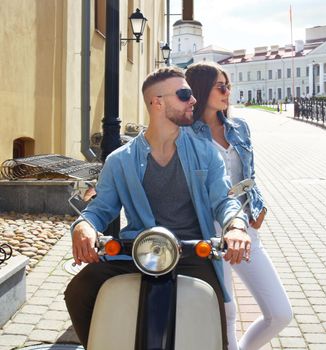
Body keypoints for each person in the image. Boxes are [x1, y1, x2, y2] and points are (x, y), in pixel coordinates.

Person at [64, 66, 252, 350]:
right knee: (78, 290)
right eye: (184, 94)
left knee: (215, 317)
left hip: (192, 251)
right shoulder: (120, 160)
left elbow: (223, 201)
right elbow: (100, 208)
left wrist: (236, 226)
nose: (193, 101)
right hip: (136, 252)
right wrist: (83, 227)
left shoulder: (205, 151)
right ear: (158, 102)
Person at [185, 62, 292, 350]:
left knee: (280, 313)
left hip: (244, 229)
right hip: (207, 229)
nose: (226, 91)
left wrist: (259, 205)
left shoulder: (239, 127)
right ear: (201, 89)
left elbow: (249, 175)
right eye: (220, 86)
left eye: (228, 85)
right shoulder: (187, 135)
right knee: (226, 312)